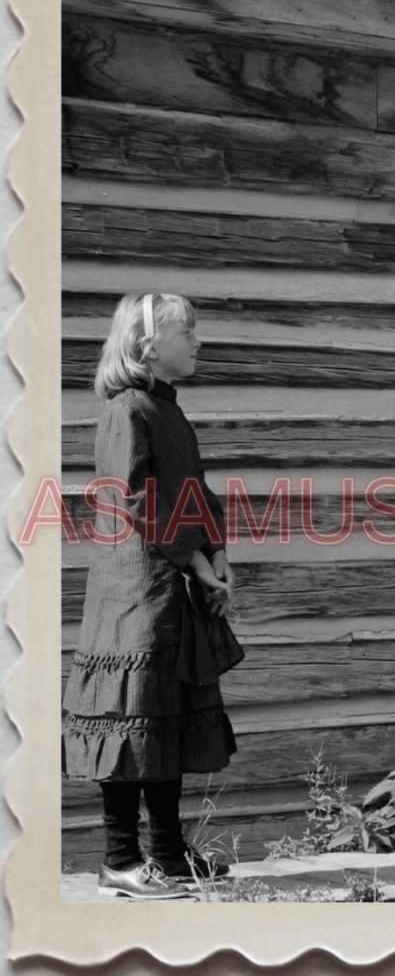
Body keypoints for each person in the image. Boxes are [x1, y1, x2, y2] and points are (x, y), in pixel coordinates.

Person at [62, 294, 243, 899]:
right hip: (134, 587)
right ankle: (119, 857)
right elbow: (138, 499)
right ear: (145, 346)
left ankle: (167, 850)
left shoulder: (170, 411)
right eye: (185, 332)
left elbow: (195, 494)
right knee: (129, 717)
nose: (197, 342)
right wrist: (195, 558)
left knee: (162, 717)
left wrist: (216, 555)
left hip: (172, 584)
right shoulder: (127, 411)